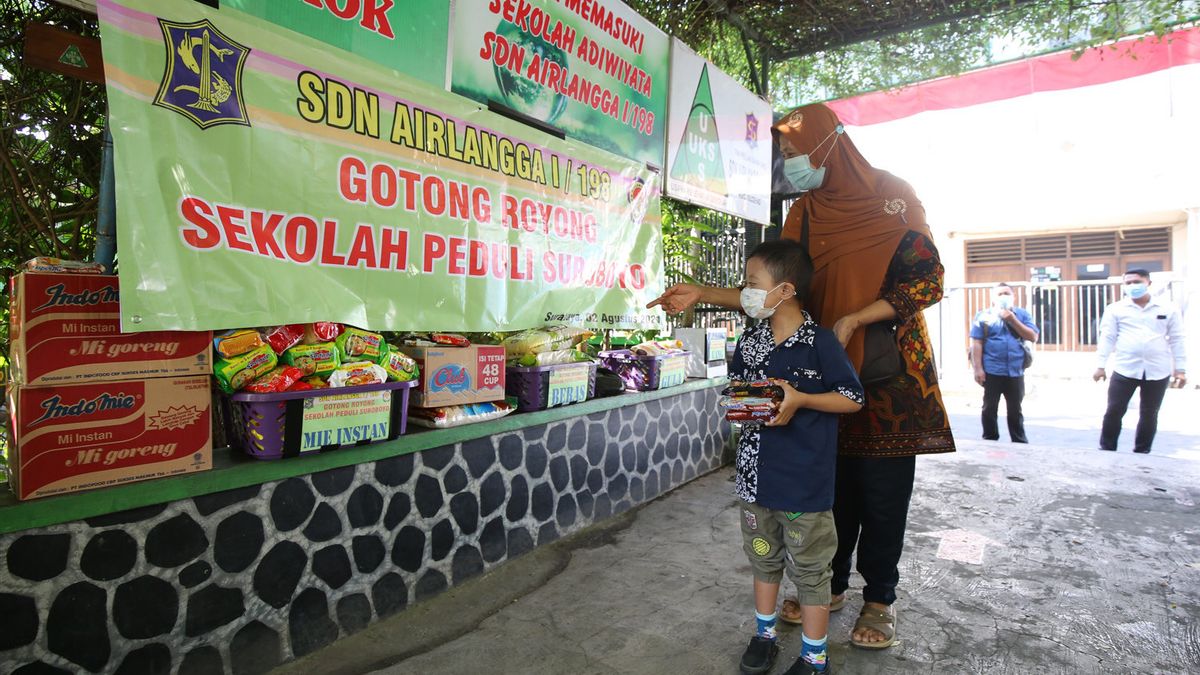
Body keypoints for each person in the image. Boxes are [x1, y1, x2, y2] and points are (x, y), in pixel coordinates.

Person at [649, 103, 955, 649]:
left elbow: (928, 281)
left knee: (883, 496)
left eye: (793, 153)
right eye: (785, 155)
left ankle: (879, 599)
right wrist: (707, 294)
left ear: (828, 144)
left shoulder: (895, 195)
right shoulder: (805, 214)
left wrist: (859, 317)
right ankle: (829, 585)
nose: (790, 165)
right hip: (815, 372)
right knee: (827, 492)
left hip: (888, 378)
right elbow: (780, 290)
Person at [727, 239, 864, 675]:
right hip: (754, 481)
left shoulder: (820, 342)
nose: (745, 292)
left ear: (784, 290)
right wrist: (752, 402)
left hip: (804, 485)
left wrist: (801, 399)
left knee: (809, 570)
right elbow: (738, 394)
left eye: (752, 283)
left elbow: (852, 398)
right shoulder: (750, 341)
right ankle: (764, 635)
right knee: (763, 558)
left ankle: (814, 655)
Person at [1093, 269, 1187, 453]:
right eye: (1127, 283)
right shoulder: (1116, 309)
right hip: (1125, 368)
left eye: (1136, 281)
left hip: (1157, 370)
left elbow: (1177, 339)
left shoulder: (1167, 309)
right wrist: (1100, 366)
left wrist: (1180, 369)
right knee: (1114, 410)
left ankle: (1142, 452)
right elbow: (1107, 338)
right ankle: (1107, 448)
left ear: (1148, 283)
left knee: (1149, 413)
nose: (1132, 286)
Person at [970, 282, 1039, 443]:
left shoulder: (1022, 315)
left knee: (1015, 409)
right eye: (1000, 294)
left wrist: (1013, 320)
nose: (1004, 297)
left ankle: (1019, 440)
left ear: (1013, 296)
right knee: (989, 407)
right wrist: (977, 369)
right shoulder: (983, 316)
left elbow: (1032, 336)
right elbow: (976, 343)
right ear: (993, 298)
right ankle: (990, 438)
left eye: (1007, 293)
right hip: (992, 370)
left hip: (1015, 371)